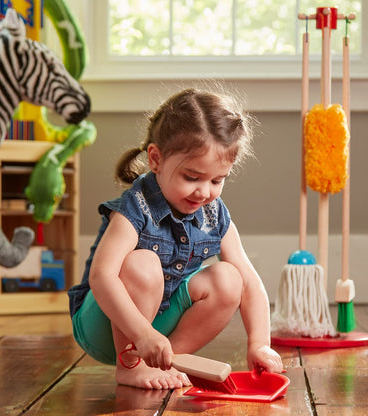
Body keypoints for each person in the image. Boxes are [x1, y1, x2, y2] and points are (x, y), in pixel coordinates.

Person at [68, 88, 283, 390]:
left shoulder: (213, 214)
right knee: (142, 262)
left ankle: (169, 358)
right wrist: (142, 334)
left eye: (217, 180)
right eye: (191, 177)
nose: (204, 191)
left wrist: (259, 343)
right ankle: (131, 366)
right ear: (156, 159)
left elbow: (250, 282)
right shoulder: (135, 207)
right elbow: (102, 277)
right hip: (104, 323)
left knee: (230, 279)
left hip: (156, 330)